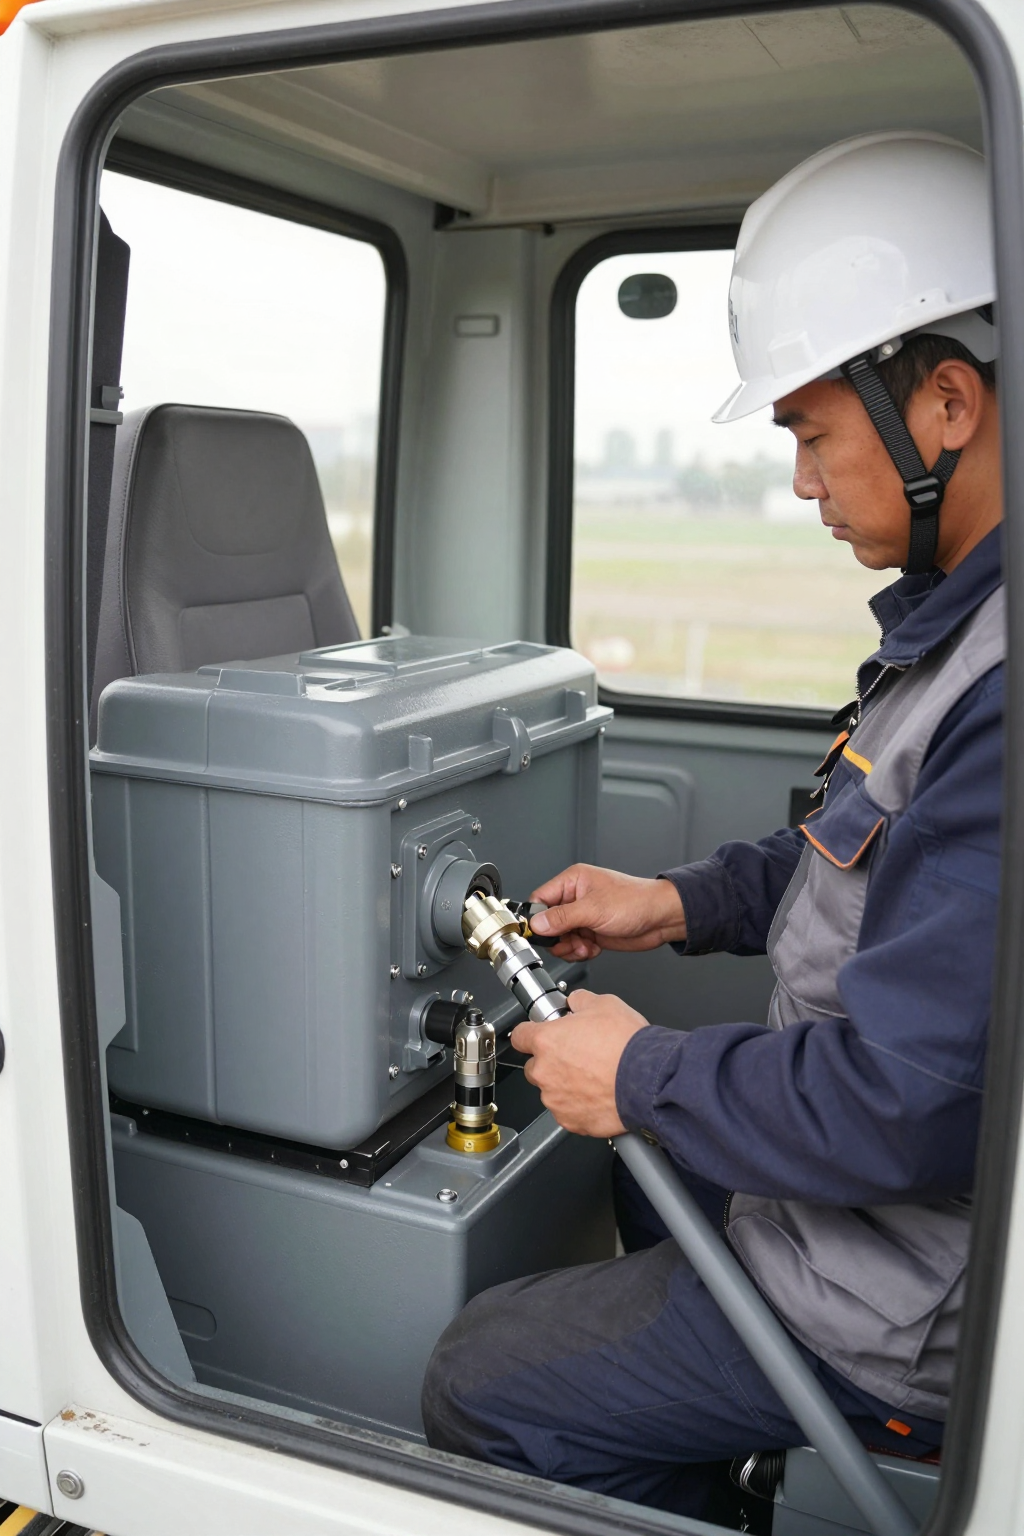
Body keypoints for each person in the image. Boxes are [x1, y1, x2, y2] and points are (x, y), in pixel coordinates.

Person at [421, 131, 1003, 1522]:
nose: (802, 482)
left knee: (481, 1377)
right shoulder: (959, 637)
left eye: (809, 430)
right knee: (654, 1152)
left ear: (945, 403)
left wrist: (647, 1076)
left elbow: (909, 1107)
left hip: (897, 1298)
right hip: (866, 1221)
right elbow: (865, 860)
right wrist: (673, 903)